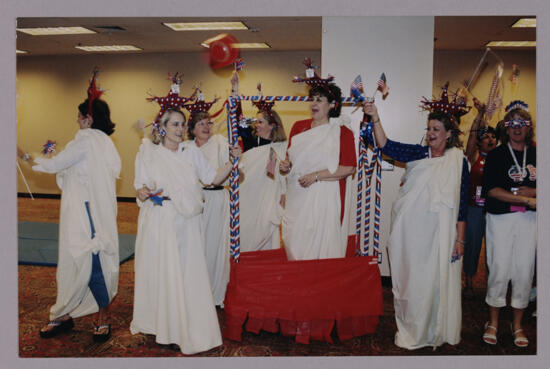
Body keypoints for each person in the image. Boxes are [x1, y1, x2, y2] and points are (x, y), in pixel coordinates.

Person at [361, 87, 470, 349]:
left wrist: (460, 241)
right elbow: (387, 146)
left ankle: (435, 330)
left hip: (441, 234)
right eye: (429, 128)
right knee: (414, 281)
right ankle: (414, 328)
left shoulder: (458, 161)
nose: (431, 133)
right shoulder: (419, 154)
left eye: (436, 129)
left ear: (449, 134)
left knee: (436, 282)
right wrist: (375, 117)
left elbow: (462, 205)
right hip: (412, 231)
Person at [130, 108, 240, 354]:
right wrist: (142, 191)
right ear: (163, 127)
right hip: (160, 218)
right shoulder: (149, 153)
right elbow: (140, 184)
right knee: (163, 271)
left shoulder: (191, 152)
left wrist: (232, 162)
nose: (180, 130)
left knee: (185, 272)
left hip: (187, 221)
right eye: (175, 125)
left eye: (182, 125)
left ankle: (183, 323)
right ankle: (162, 324)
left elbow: (212, 178)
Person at [19, 79, 121, 343]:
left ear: (88, 118)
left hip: (86, 213)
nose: (76, 120)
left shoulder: (87, 140)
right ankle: (65, 313)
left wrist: (24, 156)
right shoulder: (102, 141)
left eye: (79, 116)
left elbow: (55, 166)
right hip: (88, 209)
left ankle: (103, 315)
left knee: (90, 261)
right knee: (75, 261)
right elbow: (72, 167)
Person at [279, 80, 356, 260]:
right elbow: (292, 161)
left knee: (321, 246)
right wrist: (285, 166)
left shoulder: (342, 131)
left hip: (326, 193)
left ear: (332, 105)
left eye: (319, 100)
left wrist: (316, 176)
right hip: (298, 194)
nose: (314, 104)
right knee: (295, 242)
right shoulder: (299, 126)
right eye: (312, 99)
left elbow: (349, 167)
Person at [481, 101, 536, 348]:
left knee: (524, 271)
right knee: (499, 267)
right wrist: (524, 198)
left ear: (529, 128)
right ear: (506, 127)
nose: (517, 128)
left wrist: (536, 192)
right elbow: (492, 191)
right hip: (500, 219)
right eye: (512, 123)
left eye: (522, 123)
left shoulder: (538, 153)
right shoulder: (496, 154)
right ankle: (492, 321)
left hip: (529, 219)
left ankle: (517, 324)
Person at [181, 98, 240, 306]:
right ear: (192, 129)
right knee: (195, 245)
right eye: (201, 124)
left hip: (216, 199)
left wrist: (235, 163)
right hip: (195, 200)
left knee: (214, 245)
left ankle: (215, 293)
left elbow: (236, 172)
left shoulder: (220, 143)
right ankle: (194, 291)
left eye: (208, 123)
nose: (206, 127)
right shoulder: (185, 147)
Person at [231, 73, 287, 252]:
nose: (256, 124)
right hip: (247, 194)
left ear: (272, 125)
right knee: (246, 229)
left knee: (265, 229)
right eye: (255, 121)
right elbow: (236, 117)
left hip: (267, 198)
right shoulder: (248, 140)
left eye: (260, 121)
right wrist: (235, 90)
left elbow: (285, 175)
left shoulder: (281, 147)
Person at [463, 98, 497, 298]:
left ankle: (493, 284)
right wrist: (480, 114)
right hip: (474, 208)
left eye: (494, 136)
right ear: (480, 141)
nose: (491, 139)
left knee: (494, 247)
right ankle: (468, 282)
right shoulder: (474, 156)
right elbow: (473, 135)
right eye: (487, 137)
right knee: (473, 245)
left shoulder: (500, 157)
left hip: (494, 208)